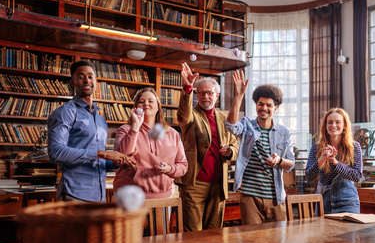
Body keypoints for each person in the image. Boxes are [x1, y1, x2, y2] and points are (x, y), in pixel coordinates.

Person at [47, 60, 136, 202]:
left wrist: (115, 162)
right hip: (75, 193)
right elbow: (56, 152)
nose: (86, 80)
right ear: (72, 82)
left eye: (90, 76)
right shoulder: (65, 112)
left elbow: (99, 161)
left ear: (96, 81)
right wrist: (102, 153)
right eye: (81, 76)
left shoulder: (101, 120)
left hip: (100, 194)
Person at [225, 71, 295, 225]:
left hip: (276, 197)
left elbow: (291, 163)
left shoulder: (284, 132)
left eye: (269, 105)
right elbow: (230, 126)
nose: (264, 108)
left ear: (275, 109)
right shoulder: (246, 125)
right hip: (250, 198)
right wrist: (239, 96)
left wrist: (279, 160)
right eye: (260, 104)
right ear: (256, 105)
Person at [176, 62, 238, 231]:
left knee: (215, 233)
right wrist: (187, 87)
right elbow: (183, 116)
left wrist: (230, 151)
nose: (205, 97)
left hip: (219, 185)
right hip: (194, 184)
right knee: (193, 234)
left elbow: (235, 144)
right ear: (196, 95)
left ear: (217, 95)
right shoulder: (191, 115)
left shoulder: (224, 118)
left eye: (209, 93)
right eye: (201, 93)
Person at [113, 87, 188, 198]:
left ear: (158, 107)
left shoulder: (172, 133)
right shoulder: (125, 129)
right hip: (130, 197)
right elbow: (121, 158)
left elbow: (183, 165)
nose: (146, 104)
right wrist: (135, 127)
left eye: (151, 101)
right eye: (141, 102)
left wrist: (169, 169)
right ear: (136, 107)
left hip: (164, 197)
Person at [305, 108, 363, 213]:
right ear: (325, 125)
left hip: (348, 202)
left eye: (338, 122)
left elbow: (357, 176)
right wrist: (322, 159)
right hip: (324, 202)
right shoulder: (316, 148)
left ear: (345, 125)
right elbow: (309, 176)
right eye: (330, 122)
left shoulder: (354, 147)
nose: (333, 125)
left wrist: (335, 162)